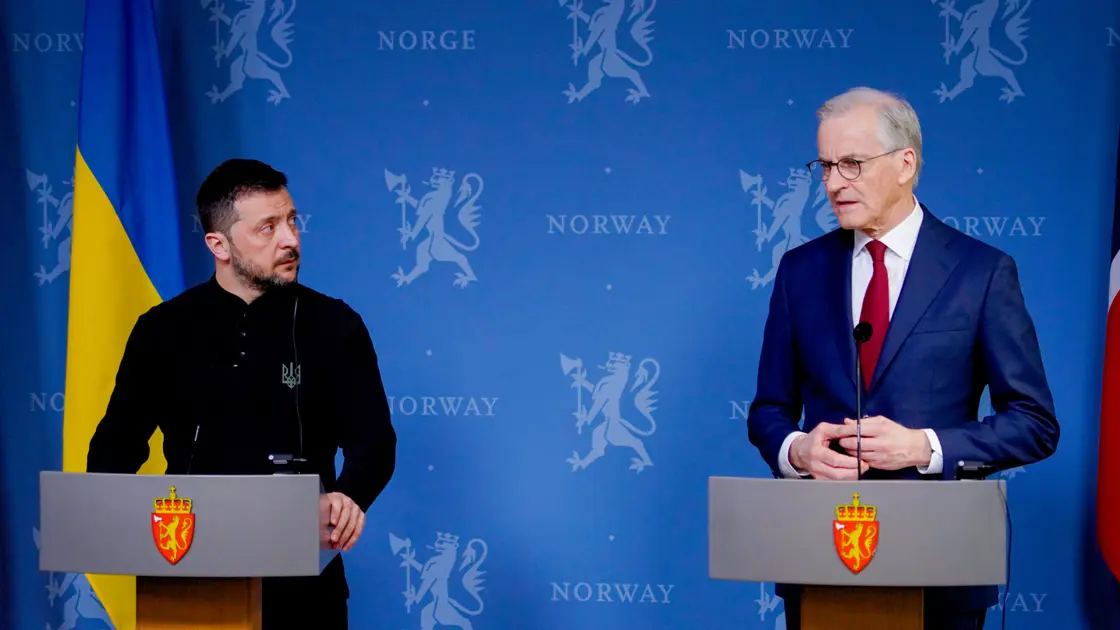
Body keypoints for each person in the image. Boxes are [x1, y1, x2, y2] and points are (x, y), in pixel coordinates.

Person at [745, 87, 1059, 629]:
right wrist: (798, 452)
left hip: (941, 569)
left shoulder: (981, 273)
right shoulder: (800, 271)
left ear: (905, 164)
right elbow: (768, 411)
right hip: (820, 559)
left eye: (851, 164)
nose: (833, 183)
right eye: (824, 166)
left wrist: (924, 447)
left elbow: (1033, 424)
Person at [85, 158, 397, 628]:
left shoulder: (336, 325)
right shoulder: (161, 330)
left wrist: (347, 497)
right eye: (267, 228)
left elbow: (374, 443)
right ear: (219, 244)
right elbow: (115, 446)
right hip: (186, 570)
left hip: (303, 583)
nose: (290, 239)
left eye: (292, 220)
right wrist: (114, 514)